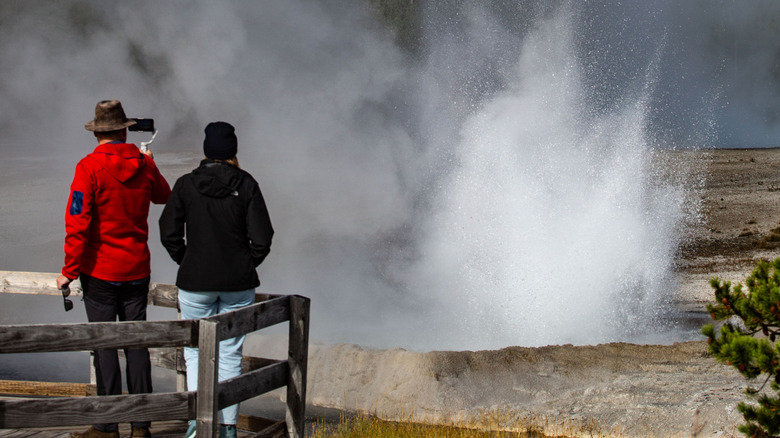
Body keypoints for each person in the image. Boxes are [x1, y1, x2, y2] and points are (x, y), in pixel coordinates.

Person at [56, 100, 171, 438]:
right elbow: (164, 195)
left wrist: (69, 270)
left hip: (100, 270)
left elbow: (78, 223)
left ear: (98, 134)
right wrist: (150, 162)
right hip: (136, 268)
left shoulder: (87, 167)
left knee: (105, 344)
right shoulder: (142, 163)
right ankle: (141, 425)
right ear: (124, 131)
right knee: (137, 345)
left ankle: (107, 425)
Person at [158, 121, 274, 438]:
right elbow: (263, 238)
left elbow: (168, 231)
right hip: (238, 283)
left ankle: (198, 424)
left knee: (195, 352)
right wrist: (245, 264)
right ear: (233, 150)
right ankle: (227, 428)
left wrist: (187, 259)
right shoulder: (246, 183)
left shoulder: (185, 184)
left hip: (195, 282)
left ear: (207, 151)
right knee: (230, 353)